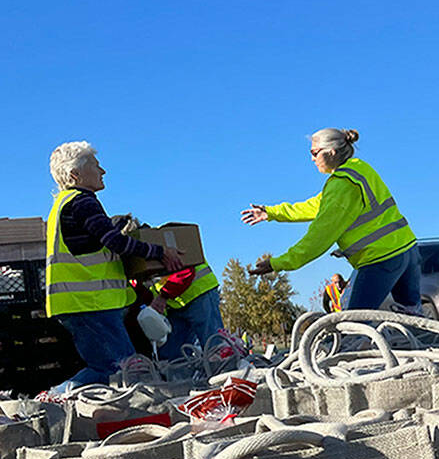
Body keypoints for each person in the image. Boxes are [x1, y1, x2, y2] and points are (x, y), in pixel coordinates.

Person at [44, 141, 183, 386]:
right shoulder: (83, 201)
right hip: (89, 304)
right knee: (120, 369)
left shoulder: (63, 204)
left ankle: (57, 400)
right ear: (75, 175)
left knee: (112, 368)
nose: (103, 171)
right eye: (96, 166)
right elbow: (114, 242)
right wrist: (159, 252)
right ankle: (55, 398)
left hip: (79, 304)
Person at [241, 128, 420, 312]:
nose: (312, 159)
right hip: (408, 250)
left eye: (314, 152)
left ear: (331, 151)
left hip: (380, 259)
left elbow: (318, 238)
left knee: (356, 326)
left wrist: (278, 263)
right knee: (414, 319)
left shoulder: (342, 185)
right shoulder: (359, 169)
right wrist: (271, 212)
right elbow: (312, 206)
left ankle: (360, 341)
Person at [147, 261, 224, 358]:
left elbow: (186, 270)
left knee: (215, 347)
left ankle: (226, 368)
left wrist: (164, 296)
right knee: (173, 357)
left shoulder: (165, 247)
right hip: (174, 303)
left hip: (199, 292)